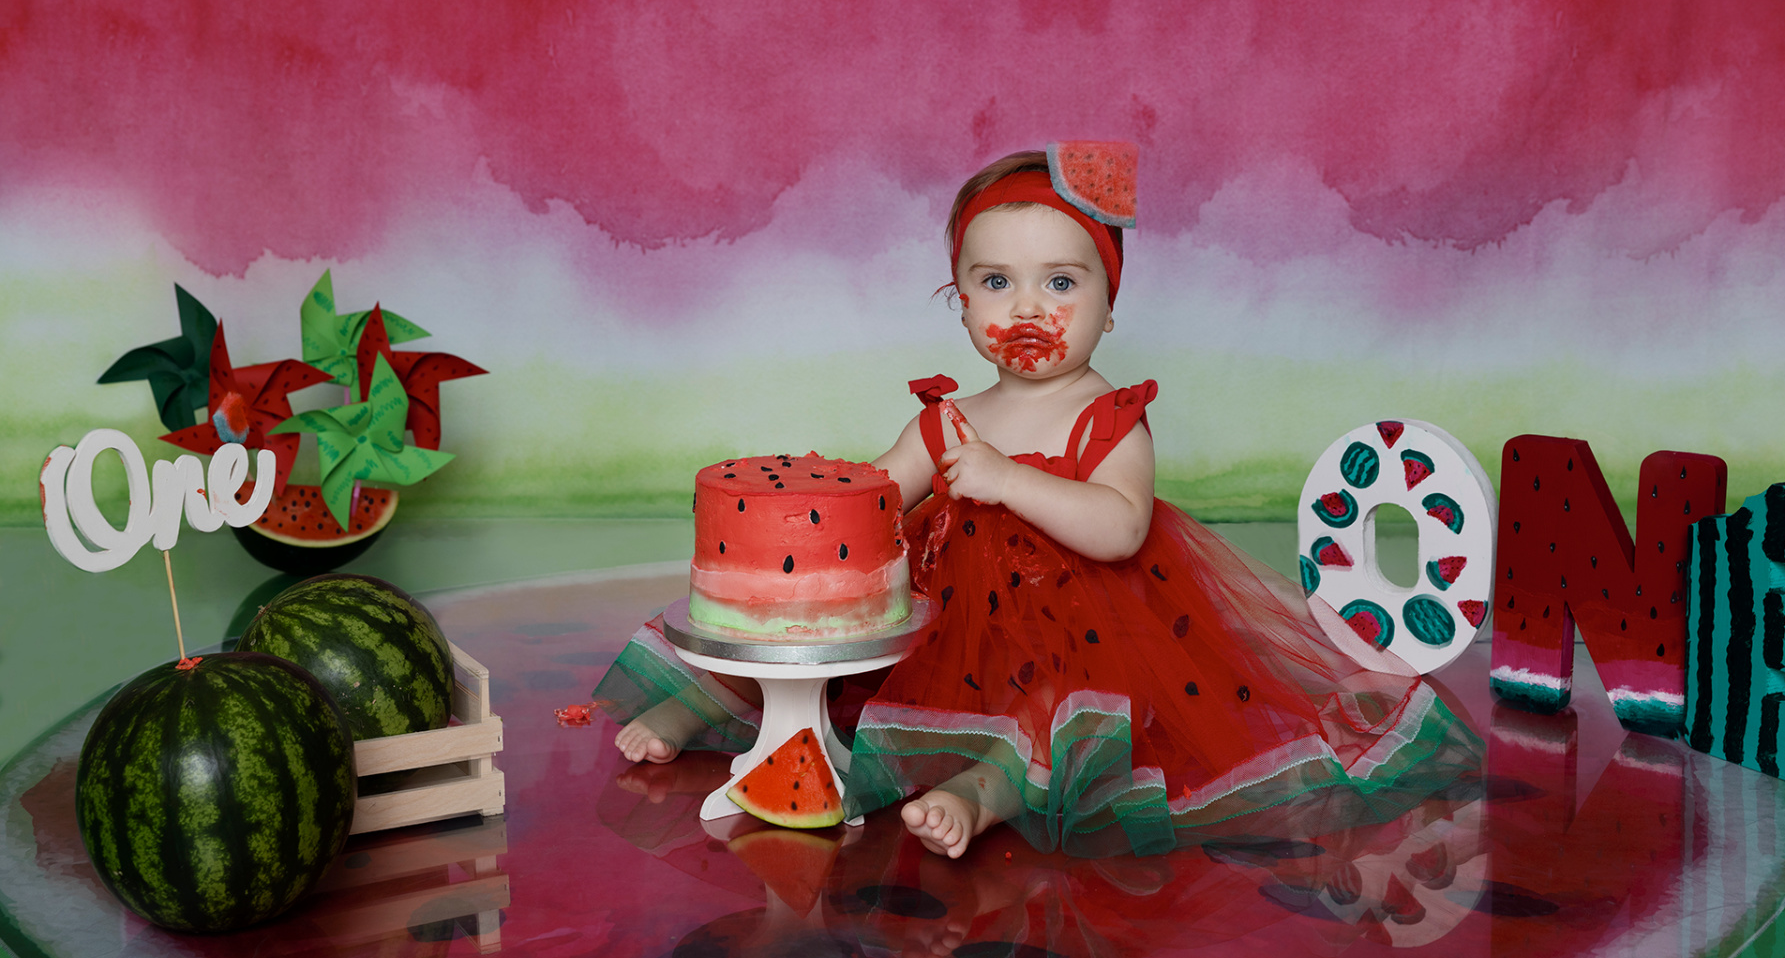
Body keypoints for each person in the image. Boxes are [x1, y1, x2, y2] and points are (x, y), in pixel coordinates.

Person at [601, 149, 1481, 861]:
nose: (1027, 307)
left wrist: (1012, 480)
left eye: (1061, 283)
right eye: (996, 283)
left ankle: (982, 792)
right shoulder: (945, 419)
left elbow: (1121, 527)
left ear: (1108, 305)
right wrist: (808, 501)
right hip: (945, 623)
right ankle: (706, 704)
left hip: (1078, 626)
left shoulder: (1109, 420)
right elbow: (876, 502)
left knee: (1063, 708)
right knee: (834, 647)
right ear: (960, 302)